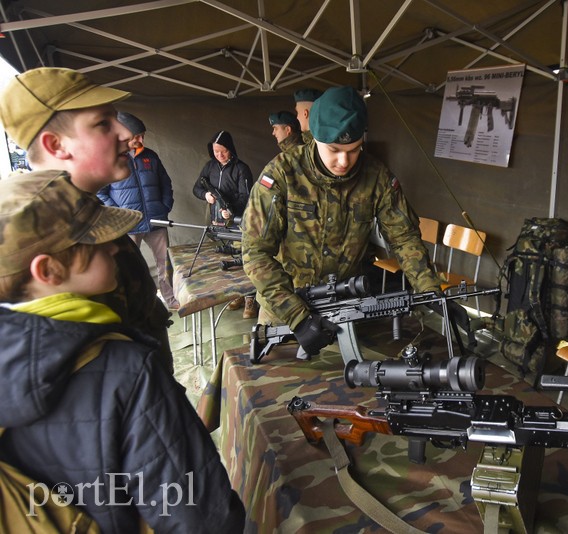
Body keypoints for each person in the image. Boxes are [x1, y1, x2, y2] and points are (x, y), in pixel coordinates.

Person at [0, 171, 245, 532]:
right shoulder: (127, 372)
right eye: (95, 242)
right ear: (48, 270)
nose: (115, 247)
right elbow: (204, 518)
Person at [242, 86, 442, 358]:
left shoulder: (376, 177)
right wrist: (297, 316)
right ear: (315, 137)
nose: (344, 161)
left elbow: (404, 237)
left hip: (346, 309)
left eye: (354, 149)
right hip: (285, 310)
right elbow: (255, 252)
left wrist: (430, 290)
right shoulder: (282, 174)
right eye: (334, 149)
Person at [0, 67, 175, 374]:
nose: (125, 134)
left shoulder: (98, 224)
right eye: (103, 123)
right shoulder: (36, 243)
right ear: (57, 145)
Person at [98, 111, 179, 310]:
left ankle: (171, 301)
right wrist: (121, 213)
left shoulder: (150, 156)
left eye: (143, 135)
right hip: (130, 225)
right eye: (137, 136)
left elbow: (165, 183)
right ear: (125, 134)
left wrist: (165, 206)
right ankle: (138, 306)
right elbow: (101, 192)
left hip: (156, 220)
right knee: (129, 266)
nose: (141, 140)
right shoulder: (111, 158)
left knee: (165, 264)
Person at [192, 130, 256, 317]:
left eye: (223, 151)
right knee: (227, 262)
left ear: (231, 149)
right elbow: (196, 188)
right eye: (215, 151)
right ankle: (237, 294)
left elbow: (246, 196)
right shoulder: (209, 167)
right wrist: (205, 195)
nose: (219, 155)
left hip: (238, 223)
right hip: (216, 223)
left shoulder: (241, 169)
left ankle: (250, 299)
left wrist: (232, 210)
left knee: (244, 260)